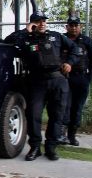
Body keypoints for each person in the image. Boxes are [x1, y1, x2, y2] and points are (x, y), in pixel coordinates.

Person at [5, 10, 80, 161]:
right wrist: (26, 31)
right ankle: (35, 147)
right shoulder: (26, 39)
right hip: (36, 81)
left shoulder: (56, 36)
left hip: (57, 79)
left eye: (44, 21)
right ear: (32, 24)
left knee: (57, 115)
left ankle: (51, 148)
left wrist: (69, 63)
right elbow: (8, 41)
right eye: (38, 21)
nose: (42, 23)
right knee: (33, 115)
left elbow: (75, 49)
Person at [59, 16, 92, 146]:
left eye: (76, 25)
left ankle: (72, 136)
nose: (74, 28)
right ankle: (61, 135)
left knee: (77, 108)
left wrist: (89, 78)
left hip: (81, 79)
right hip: (65, 78)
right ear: (67, 27)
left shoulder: (87, 41)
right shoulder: (61, 39)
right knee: (65, 106)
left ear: (80, 27)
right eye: (71, 25)